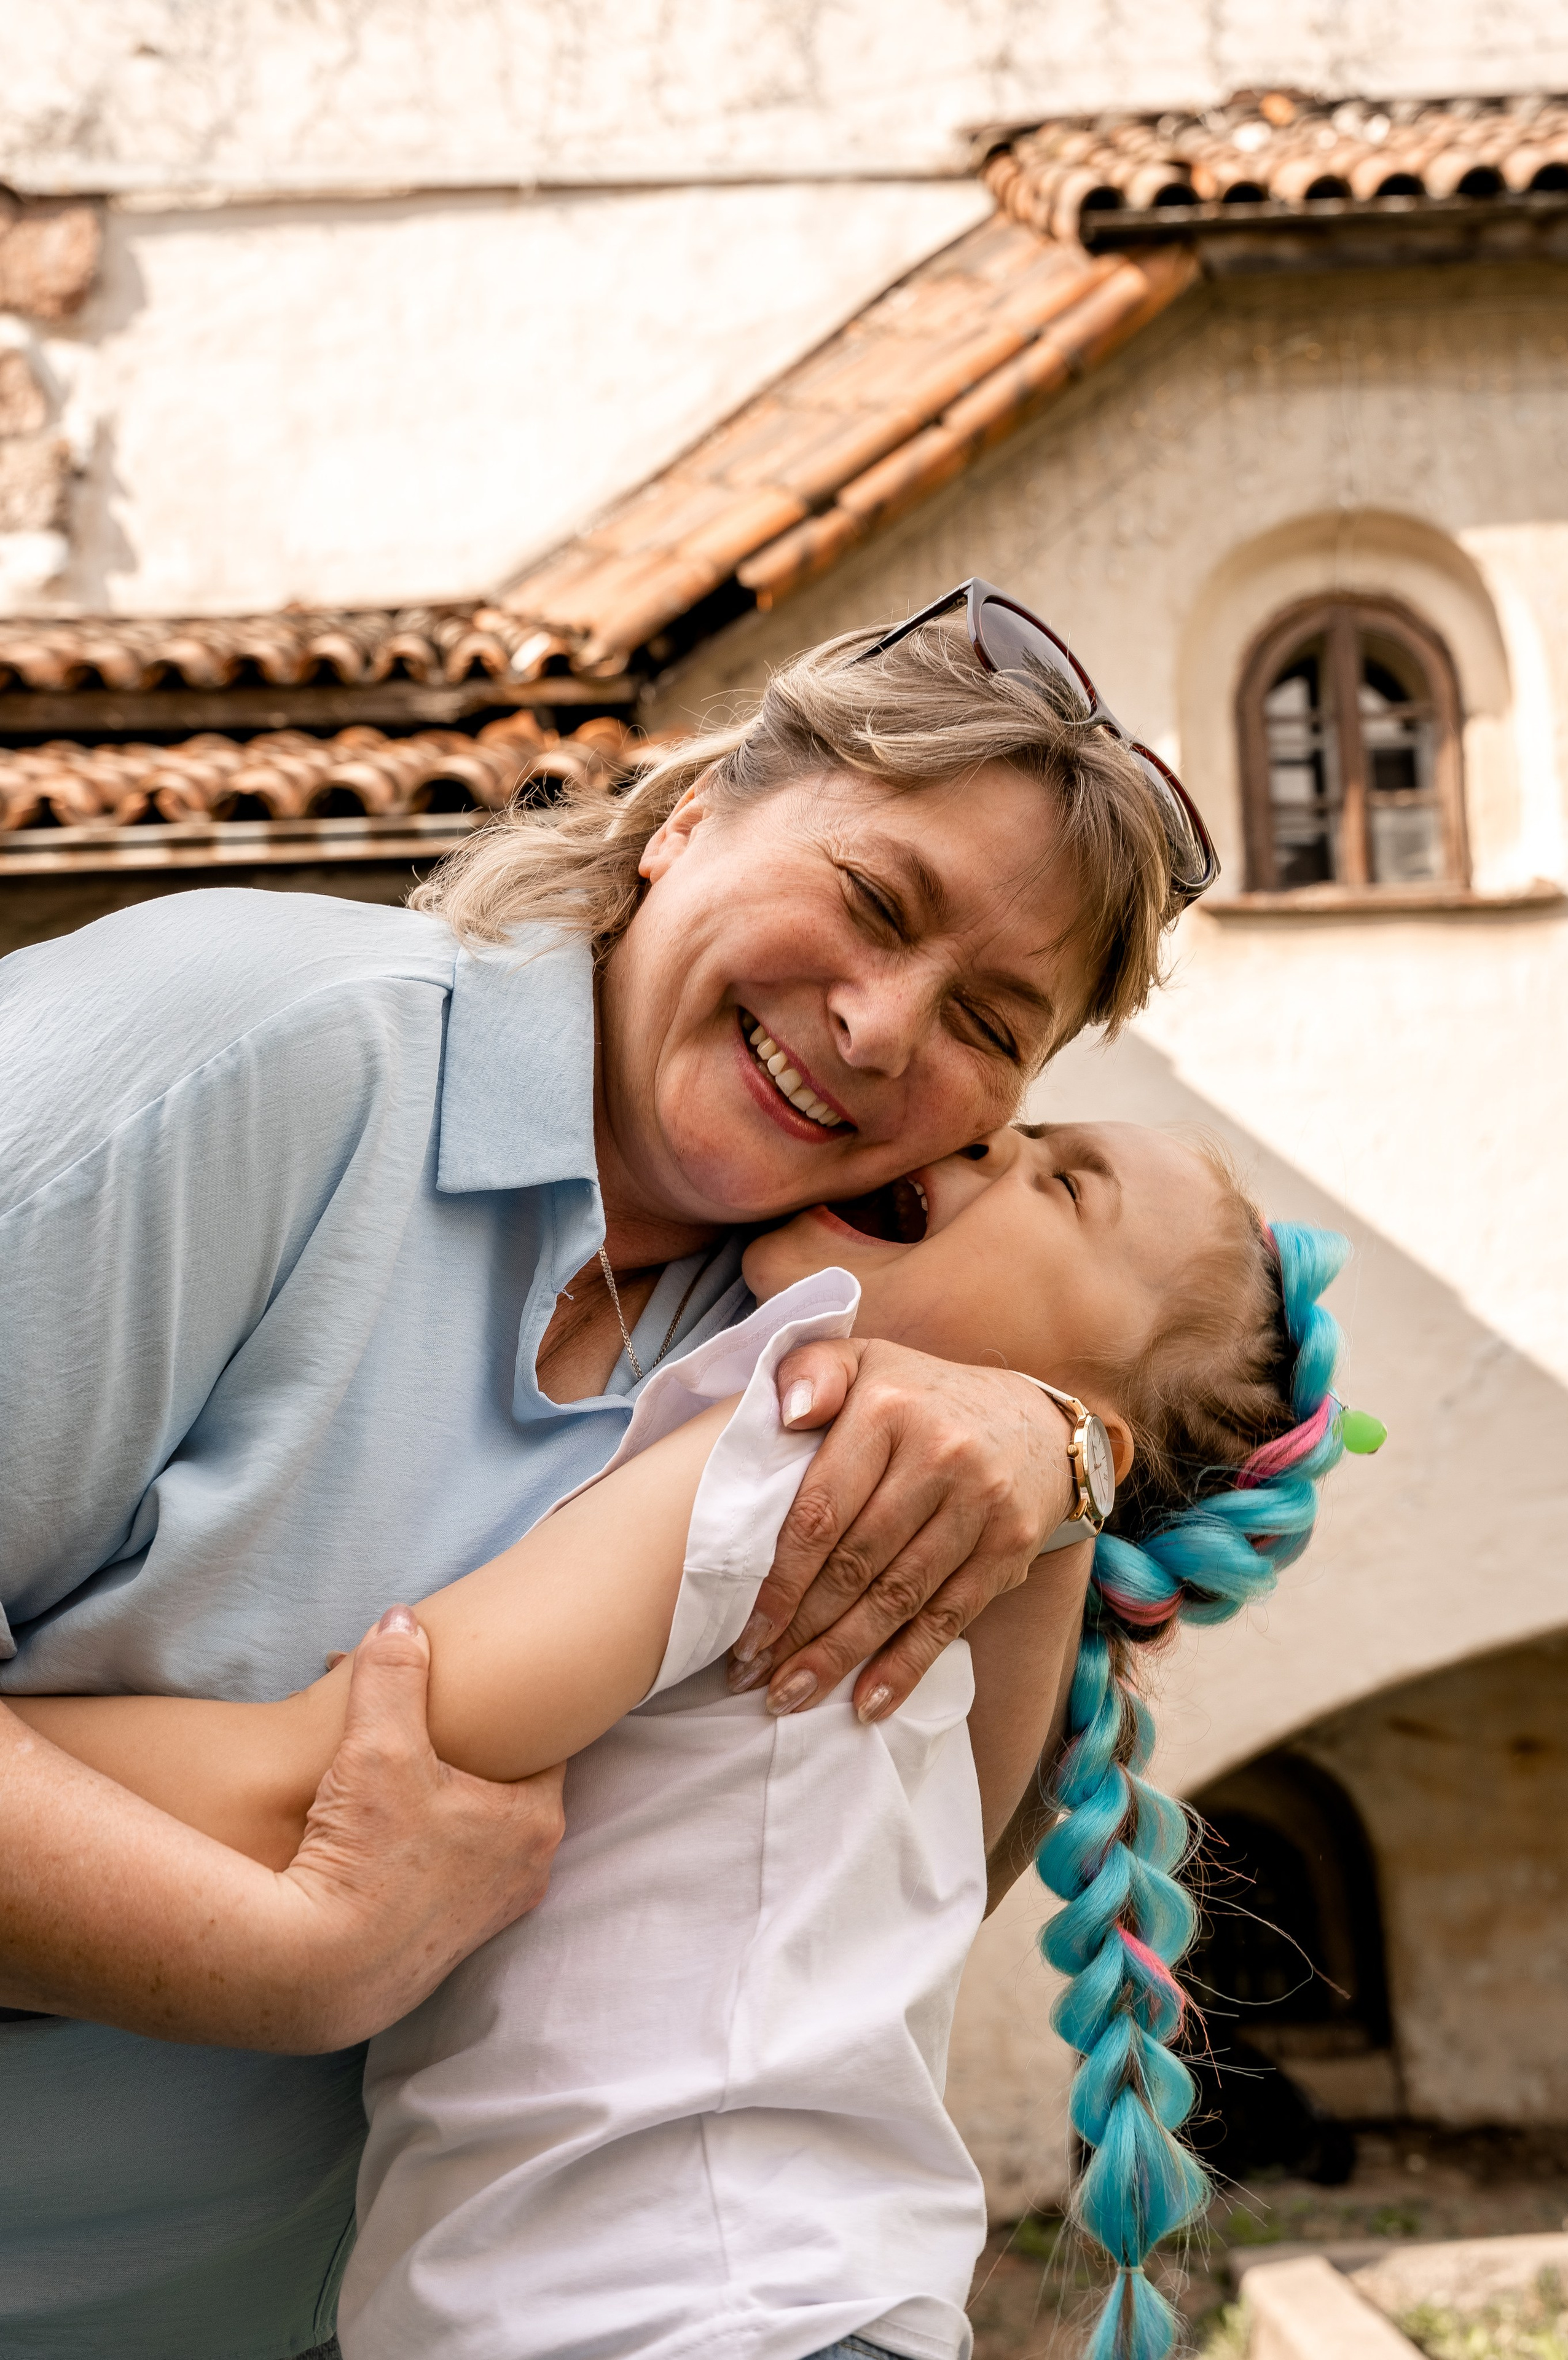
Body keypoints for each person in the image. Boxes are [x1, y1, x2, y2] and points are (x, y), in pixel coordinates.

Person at [1, 589, 1208, 2358]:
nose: (879, 1026)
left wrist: (1061, 1445)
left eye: (990, 1026)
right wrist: (292, 1963)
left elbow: (850, 1894)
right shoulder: (264, 1052)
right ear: (693, 815)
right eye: (876, 902)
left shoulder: (788, 1348)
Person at [18, 1115, 1357, 2360]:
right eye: (1012, 1133)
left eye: (1060, 1185)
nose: (980, 1144)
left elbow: (319, 1775)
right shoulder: (999, 1642)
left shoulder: (795, 1458)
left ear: (1088, 1424)